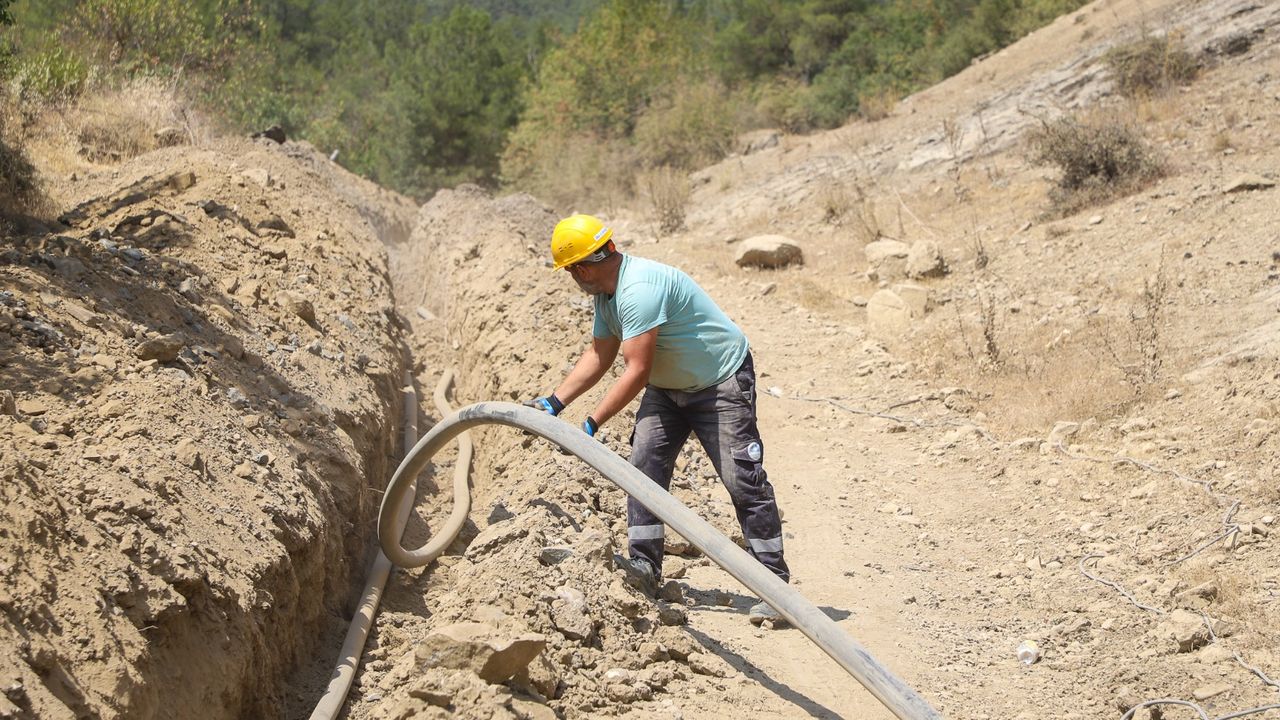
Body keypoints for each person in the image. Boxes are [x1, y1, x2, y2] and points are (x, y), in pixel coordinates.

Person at [524, 213, 790, 626]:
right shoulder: (607, 296)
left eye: (571, 271)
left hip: (719, 382)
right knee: (644, 467)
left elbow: (636, 370)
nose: (572, 278)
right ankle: (645, 568)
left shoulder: (638, 290)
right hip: (668, 390)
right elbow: (600, 354)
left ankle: (775, 587)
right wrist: (554, 403)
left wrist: (592, 423)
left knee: (742, 478)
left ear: (582, 268)